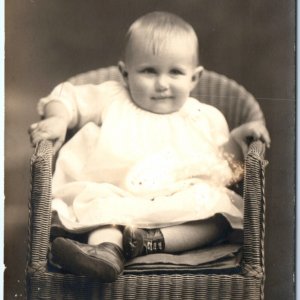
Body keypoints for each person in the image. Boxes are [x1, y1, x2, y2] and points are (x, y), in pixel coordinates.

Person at [28, 11, 270, 282]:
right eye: (148, 71)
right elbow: (66, 95)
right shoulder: (113, 97)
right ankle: (105, 252)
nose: (162, 84)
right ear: (125, 73)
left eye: (175, 72)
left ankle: (147, 241)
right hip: (117, 194)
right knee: (100, 208)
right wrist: (59, 117)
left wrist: (239, 138)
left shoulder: (204, 116)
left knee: (217, 213)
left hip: (177, 204)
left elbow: (223, 167)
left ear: (194, 78)